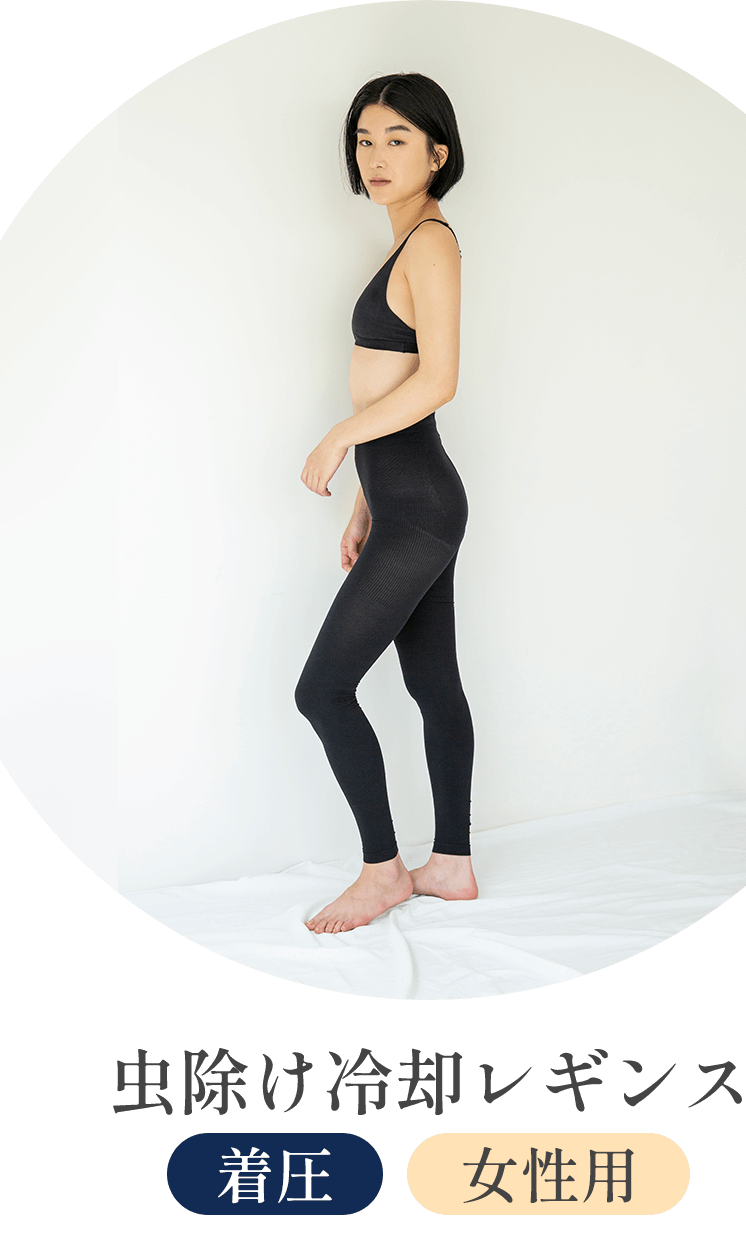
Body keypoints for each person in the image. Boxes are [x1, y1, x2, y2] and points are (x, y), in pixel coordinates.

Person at [295, 73, 477, 933]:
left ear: (438, 153)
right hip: (406, 500)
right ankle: (452, 865)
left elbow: (437, 380)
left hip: (423, 504)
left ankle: (382, 874)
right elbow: (393, 385)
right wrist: (366, 501)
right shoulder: (406, 243)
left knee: (323, 690)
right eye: (365, 139)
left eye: (397, 139)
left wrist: (339, 436)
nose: (376, 155)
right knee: (433, 683)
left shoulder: (431, 243)